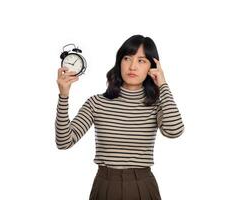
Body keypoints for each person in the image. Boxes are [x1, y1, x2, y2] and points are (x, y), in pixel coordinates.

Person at [55, 34, 185, 200]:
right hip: (105, 186)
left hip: (143, 186)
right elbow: (64, 142)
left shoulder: (157, 105)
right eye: (127, 58)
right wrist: (64, 95)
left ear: (152, 67)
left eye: (141, 61)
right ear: (119, 62)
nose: (132, 66)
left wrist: (163, 84)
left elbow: (174, 131)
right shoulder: (97, 103)